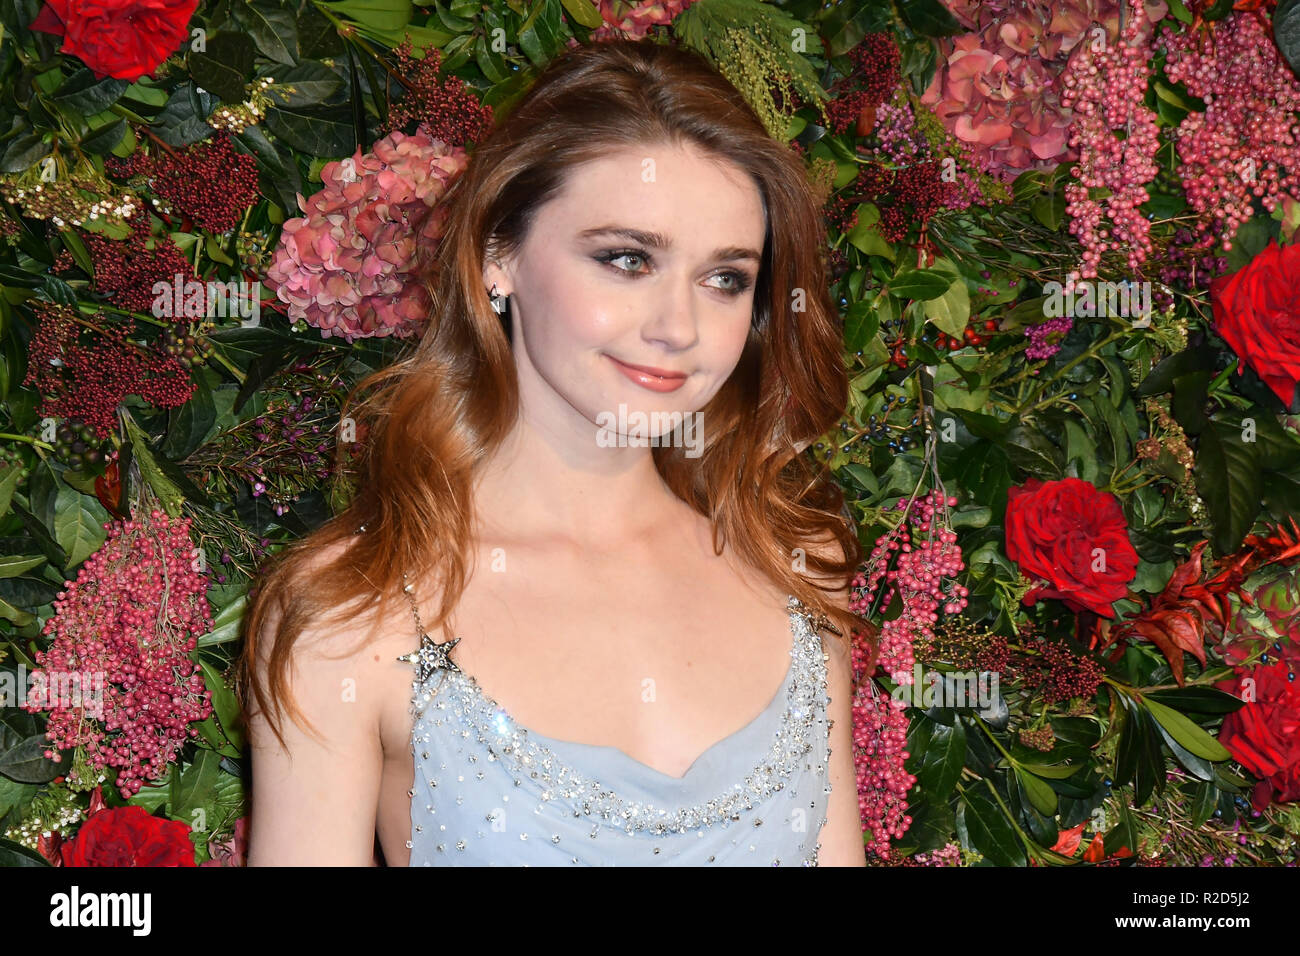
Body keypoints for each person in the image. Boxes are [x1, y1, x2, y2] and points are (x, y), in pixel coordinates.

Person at [238, 36, 874, 866]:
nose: (678, 328)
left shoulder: (792, 559)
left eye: (725, 279)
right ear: (498, 255)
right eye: (626, 259)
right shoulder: (353, 614)